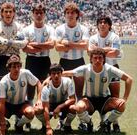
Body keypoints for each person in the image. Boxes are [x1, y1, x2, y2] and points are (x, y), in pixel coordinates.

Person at [63, 48, 133, 133]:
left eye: (100, 58)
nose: (97, 60)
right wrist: (49, 78)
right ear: (91, 59)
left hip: (105, 100)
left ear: (104, 59)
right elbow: (68, 73)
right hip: (89, 100)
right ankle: (89, 123)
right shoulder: (86, 68)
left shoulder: (109, 69)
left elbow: (129, 79)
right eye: (95, 58)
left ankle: (106, 123)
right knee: (78, 107)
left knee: (121, 105)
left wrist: (124, 98)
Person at [0, 55, 42, 135]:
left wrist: (39, 99)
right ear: (9, 68)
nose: (16, 69)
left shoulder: (26, 73)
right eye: (13, 67)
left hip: (21, 104)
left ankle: (19, 125)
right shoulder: (4, 82)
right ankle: (6, 124)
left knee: (31, 112)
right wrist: (2, 123)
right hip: (7, 105)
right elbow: (2, 103)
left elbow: (38, 83)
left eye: (18, 66)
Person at [55, 2, 89, 130]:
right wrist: (77, 43)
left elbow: (85, 46)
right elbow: (57, 46)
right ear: (65, 15)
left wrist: (68, 43)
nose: (70, 15)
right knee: (65, 95)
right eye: (67, 13)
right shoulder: (60, 29)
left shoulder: (83, 29)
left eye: (72, 12)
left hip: (79, 61)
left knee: (79, 94)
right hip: (64, 62)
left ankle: (82, 122)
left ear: (77, 15)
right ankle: (61, 121)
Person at [22, 3, 55, 128]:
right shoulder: (27, 29)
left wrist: (34, 45)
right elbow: (25, 48)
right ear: (32, 14)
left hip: (45, 60)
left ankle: (43, 121)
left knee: (45, 89)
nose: (39, 15)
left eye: (41, 13)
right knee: (29, 90)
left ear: (45, 15)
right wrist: (42, 45)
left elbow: (51, 44)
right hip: (31, 60)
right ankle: (28, 121)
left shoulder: (50, 29)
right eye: (36, 13)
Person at [88, 15, 122, 132]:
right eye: (100, 22)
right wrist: (108, 49)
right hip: (97, 70)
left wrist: (99, 49)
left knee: (115, 98)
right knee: (100, 96)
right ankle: (103, 123)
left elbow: (115, 54)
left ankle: (115, 124)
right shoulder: (93, 38)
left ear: (109, 25)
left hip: (113, 69)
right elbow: (90, 53)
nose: (102, 24)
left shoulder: (115, 37)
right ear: (97, 25)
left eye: (105, 22)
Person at [0, 2, 27, 87]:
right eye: (6, 11)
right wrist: (9, 42)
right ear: (2, 13)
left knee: (16, 83)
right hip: (1, 58)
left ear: (14, 13)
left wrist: (7, 42)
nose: (8, 14)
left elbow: (23, 43)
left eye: (10, 11)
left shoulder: (18, 26)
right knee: (0, 83)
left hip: (15, 57)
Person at [35, 63, 76, 135]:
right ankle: (45, 125)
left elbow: (73, 99)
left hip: (63, 104)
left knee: (73, 107)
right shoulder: (46, 87)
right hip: (50, 105)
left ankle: (67, 125)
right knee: (37, 109)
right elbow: (46, 108)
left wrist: (59, 107)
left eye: (58, 73)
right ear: (50, 75)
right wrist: (48, 127)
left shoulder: (68, 81)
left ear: (61, 73)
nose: (56, 76)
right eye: (53, 74)